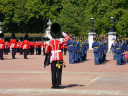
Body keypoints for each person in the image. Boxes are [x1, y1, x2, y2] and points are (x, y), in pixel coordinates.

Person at [45, 23, 70, 89]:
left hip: (53, 58)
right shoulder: (60, 41)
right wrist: (62, 33)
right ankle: (58, 84)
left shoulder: (49, 42)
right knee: (59, 71)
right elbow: (68, 37)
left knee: (53, 71)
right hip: (60, 58)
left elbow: (46, 51)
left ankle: (53, 85)